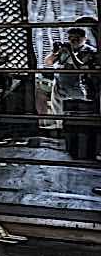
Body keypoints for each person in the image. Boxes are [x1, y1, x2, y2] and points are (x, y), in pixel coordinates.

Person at [42, 25, 99, 159]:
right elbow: (48, 62)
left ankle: (75, 145)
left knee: (74, 118)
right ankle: (63, 143)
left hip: (77, 89)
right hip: (60, 86)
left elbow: (81, 66)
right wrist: (55, 52)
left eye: (76, 39)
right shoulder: (64, 50)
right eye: (70, 38)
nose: (73, 41)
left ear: (84, 39)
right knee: (59, 116)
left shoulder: (90, 51)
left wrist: (71, 52)